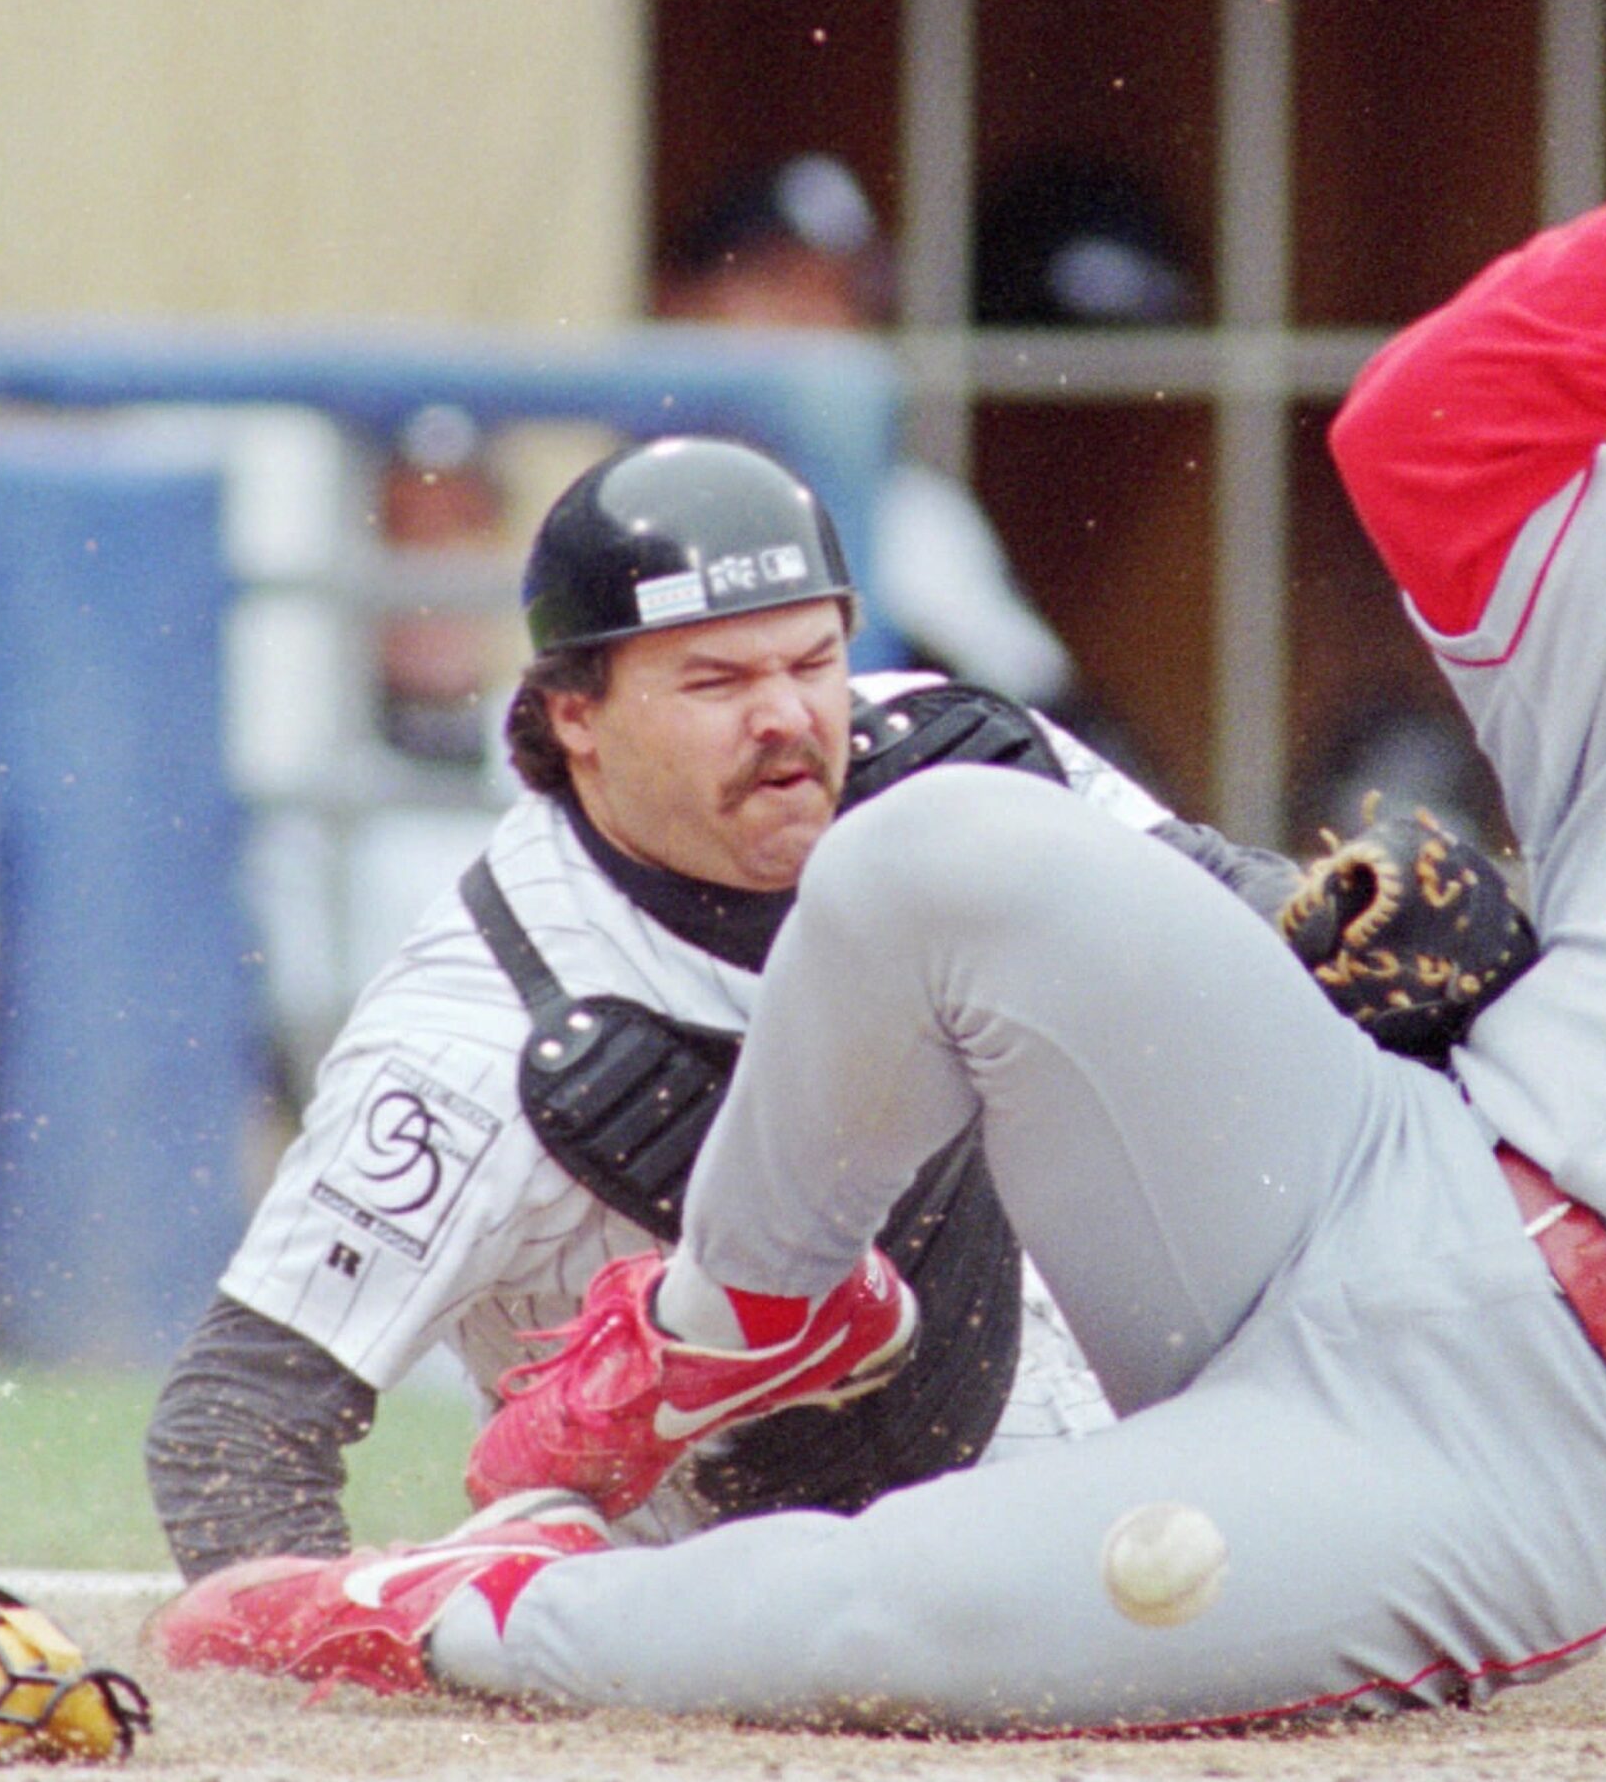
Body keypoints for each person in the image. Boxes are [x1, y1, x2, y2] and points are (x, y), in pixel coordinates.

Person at [156, 66, 1606, 1733]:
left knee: (906, 1632)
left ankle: (463, 1621)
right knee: (936, 835)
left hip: (1538, 1457)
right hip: (1360, 1171)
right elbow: (1426, 435)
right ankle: (752, 1297)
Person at [143, 434, 1303, 1581]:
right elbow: (233, 1428)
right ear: (573, 717)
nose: (787, 719)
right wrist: (325, 1648)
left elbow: (1261, 927)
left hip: (1107, 1477)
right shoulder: (478, 1033)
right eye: (716, 682)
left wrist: (1382, 923)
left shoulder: (962, 771)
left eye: (811, 663)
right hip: (727, 1611)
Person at [656, 155, 1081, 712]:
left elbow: (1036, 705)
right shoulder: (598, 492)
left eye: (838, 292)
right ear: (676, 299)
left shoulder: (910, 512)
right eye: (778, 282)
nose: (810, 321)